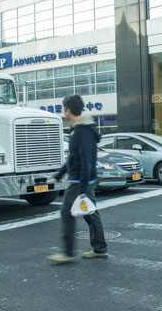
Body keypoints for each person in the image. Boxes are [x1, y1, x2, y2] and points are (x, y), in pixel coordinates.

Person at [47, 94, 108, 264]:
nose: (63, 111)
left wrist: (82, 189)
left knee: (67, 213)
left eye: (64, 108)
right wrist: (59, 175)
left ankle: (67, 253)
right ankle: (100, 248)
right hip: (83, 179)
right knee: (90, 213)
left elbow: (86, 160)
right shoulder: (79, 128)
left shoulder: (82, 131)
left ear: (68, 110)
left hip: (80, 181)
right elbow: (74, 158)